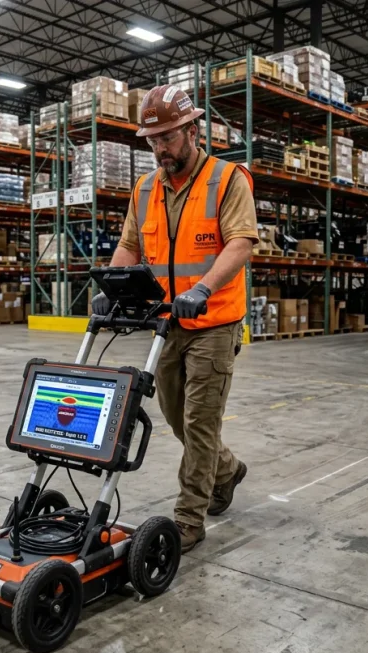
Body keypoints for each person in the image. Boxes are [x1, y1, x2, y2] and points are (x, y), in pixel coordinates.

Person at [93, 85, 258, 553]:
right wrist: (111, 286)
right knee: (176, 417)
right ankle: (227, 469)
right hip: (165, 323)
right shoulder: (145, 188)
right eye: (153, 140)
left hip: (214, 322)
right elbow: (130, 245)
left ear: (192, 130)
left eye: (167, 137)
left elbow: (241, 243)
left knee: (200, 422)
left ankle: (188, 519)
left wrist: (203, 288)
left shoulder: (227, 180)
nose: (160, 148)